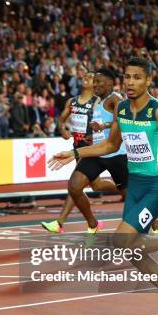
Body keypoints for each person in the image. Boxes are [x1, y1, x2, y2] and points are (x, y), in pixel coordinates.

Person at [49, 57, 158, 315]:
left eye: (137, 77)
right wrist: (75, 153)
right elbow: (110, 145)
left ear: (148, 80)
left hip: (157, 187)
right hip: (135, 186)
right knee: (133, 252)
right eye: (127, 77)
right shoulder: (123, 110)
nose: (130, 82)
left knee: (120, 240)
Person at [64, 68, 158, 235]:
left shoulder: (115, 99)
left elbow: (127, 118)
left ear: (109, 83)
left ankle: (155, 224)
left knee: (132, 196)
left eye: (98, 81)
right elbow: (102, 125)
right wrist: (93, 136)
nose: (95, 85)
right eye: (94, 82)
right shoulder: (97, 101)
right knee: (74, 186)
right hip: (98, 152)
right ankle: (93, 223)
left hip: (118, 154)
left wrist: (105, 126)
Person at [41, 70, 121, 234]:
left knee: (76, 186)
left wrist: (100, 131)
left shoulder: (99, 101)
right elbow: (61, 119)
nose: (86, 78)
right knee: (95, 185)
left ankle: (60, 222)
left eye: (91, 78)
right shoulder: (72, 101)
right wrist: (62, 129)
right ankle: (123, 189)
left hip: (94, 148)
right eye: (85, 76)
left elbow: (114, 120)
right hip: (78, 147)